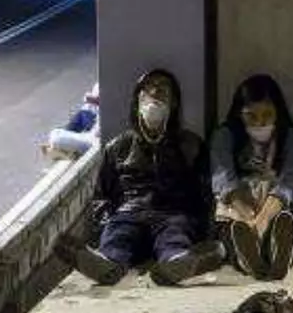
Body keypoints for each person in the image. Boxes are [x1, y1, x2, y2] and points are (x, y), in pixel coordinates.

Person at [76, 69, 226, 287]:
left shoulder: (190, 145)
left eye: (163, 90)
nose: (155, 93)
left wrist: (201, 230)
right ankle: (108, 264)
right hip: (129, 213)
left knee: (174, 238)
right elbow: (102, 196)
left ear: (174, 103)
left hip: (172, 214)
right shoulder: (118, 146)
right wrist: (105, 225)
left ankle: (176, 264)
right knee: (118, 235)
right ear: (137, 101)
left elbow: (204, 195)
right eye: (148, 90)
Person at [211, 73, 293, 280]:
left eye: (267, 114)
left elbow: (289, 186)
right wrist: (250, 222)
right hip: (238, 213)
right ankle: (250, 260)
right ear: (239, 114)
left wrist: (262, 222)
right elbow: (224, 182)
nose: (260, 123)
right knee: (234, 235)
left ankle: (279, 255)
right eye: (251, 116)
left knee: (289, 225)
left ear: (278, 112)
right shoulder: (224, 136)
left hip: (280, 210)